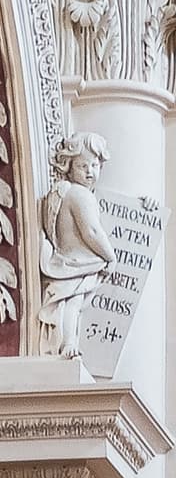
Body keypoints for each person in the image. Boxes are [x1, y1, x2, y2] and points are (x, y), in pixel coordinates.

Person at [37, 133, 114, 360]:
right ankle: (68, 343)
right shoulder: (80, 194)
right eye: (83, 165)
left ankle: (68, 341)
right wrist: (110, 256)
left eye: (95, 165)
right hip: (76, 262)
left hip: (68, 259)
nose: (90, 172)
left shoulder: (65, 192)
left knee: (73, 304)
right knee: (73, 303)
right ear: (69, 166)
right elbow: (91, 231)